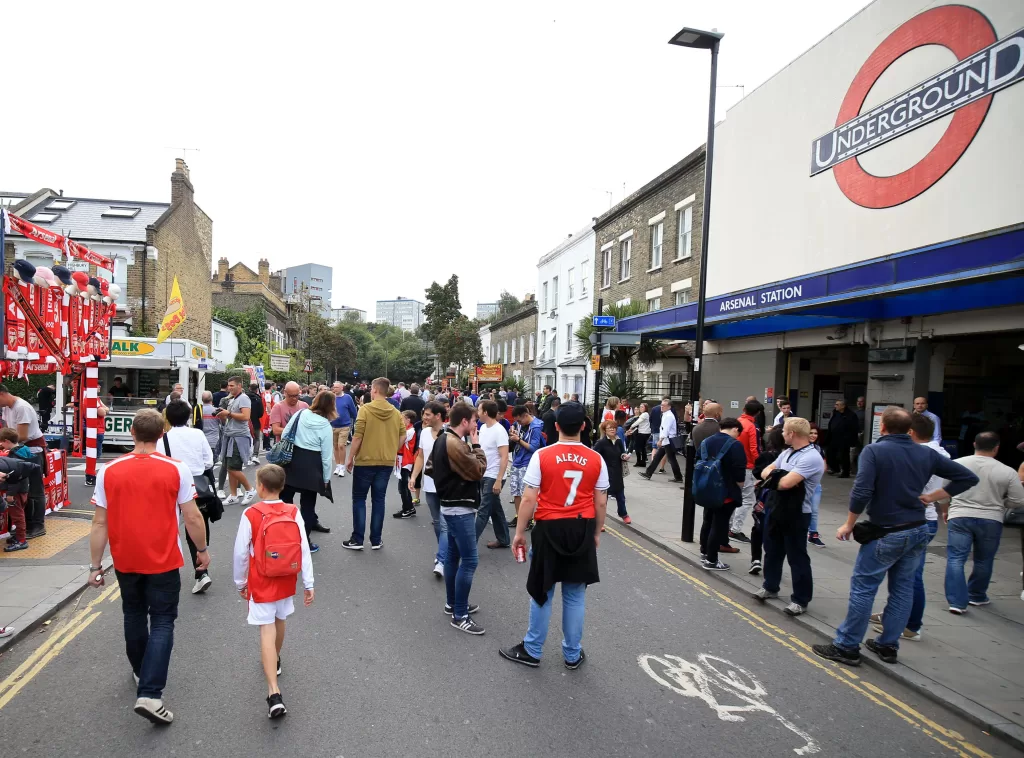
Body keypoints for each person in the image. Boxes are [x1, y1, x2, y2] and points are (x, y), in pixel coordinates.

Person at [813, 407, 978, 667]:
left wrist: (849, 523)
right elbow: (968, 477)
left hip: (885, 530)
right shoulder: (926, 453)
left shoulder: (874, 451)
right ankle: (888, 644)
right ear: (909, 429)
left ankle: (847, 646)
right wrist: (933, 497)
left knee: (864, 589)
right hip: (917, 528)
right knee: (902, 589)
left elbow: (862, 490)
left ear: (884, 428)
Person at [87, 408, 209, 725]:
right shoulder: (177, 469)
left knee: (134, 614)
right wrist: (203, 551)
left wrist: (95, 566)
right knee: (163, 621)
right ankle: (151, 693)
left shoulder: (109, 471)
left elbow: (99, 523)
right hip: (164, 558)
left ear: (131, 433)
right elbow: (193, 516)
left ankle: (142, 672)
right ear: (161, 434)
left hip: (126, 558)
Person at [499, 401, 609, 669]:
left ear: (556, 426)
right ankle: (572, 654)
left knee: (542, 591)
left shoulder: (543, 456)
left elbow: (528, 499)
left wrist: (520, 533)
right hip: (580, 527)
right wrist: (595, 533)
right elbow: (601, 502)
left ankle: (533, 650)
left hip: (550, 528)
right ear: (583, 426)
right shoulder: (596, 458)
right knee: (574, 595)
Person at [232, 464, 314, 719]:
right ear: (282, 486)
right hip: (286, 578)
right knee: (280, 621)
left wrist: (240, 583)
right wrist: (308, 584)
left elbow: (240, 553)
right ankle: (275, 660)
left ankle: (273, 692)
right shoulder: (292, 511)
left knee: (265, 630)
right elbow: (302, 548)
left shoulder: (251, 514)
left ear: (260, 486)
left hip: (262, 579)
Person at [869, 413, 947, 640]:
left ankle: (912, 626)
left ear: (911, 432)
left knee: (911, 576)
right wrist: (940, 503)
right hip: (921, 518)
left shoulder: (926, 454)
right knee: (902, 574)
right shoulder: (939, 453)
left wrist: (928, 499)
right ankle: (893, 614)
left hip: (914, 520)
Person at [943, 431, 1024, 613]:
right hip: (991, 518)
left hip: (960, 515)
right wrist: (1002, 504)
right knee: (984, 559)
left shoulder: (956, 464)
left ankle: (956, 602)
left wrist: (945, 510)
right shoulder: (1007, 471)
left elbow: (943, 491)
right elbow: (1019, 501)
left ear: (974, 444)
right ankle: (977, 595)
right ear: (996, 448)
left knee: (956, 558)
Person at [754, 417, 825, 615]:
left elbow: (786, 483)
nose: (782, 434)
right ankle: (770, 586)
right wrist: (778, 475)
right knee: (772, 550)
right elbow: (765, 471)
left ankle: (800, 600)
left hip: (797, 513)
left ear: (792, 434)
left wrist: (776, 477)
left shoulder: (811, 457)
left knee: (797, 556)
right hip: (776, 508)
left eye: (784, 431)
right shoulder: (787, 453)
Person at [429, 403, 487, 634]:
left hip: (449, 505)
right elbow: (478, 470)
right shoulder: (456, 443)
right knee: (470, 561)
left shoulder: (442, 438)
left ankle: (452, 603)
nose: (476, 426)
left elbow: (432, 468)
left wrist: (449, 480)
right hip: (459, 508)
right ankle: (460, 615)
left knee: (453, 556)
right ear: (464, 421)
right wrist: (477, 445)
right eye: (474, 421)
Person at [162, 400, 216, 594]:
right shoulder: (198, 434)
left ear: (167, 417)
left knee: (169, 527)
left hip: (171, 485)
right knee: (197, 525)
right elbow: (209, 461)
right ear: (189, 417)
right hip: (198, 485)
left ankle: (166, 571)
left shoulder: (164, 439)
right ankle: (202, 572)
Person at [344, 377, 405, 550]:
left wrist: (350, 458)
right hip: (386, 461)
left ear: (375, 390)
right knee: (379, 500)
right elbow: (403, 435)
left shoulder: (365, 410)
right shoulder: (395, 412)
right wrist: (392, 449)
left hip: (365, 461)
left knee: (359, 499)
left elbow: (358, 436)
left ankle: (357, 539)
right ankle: (376, 539)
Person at [280, 390, 335, 554]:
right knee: (308, 506)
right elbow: (326, 457)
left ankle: (283, 537)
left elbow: (284, 434)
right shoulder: (326, 426)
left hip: (292, 461)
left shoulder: (301, 414)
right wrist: (326, 479)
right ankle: (305, 541)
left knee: (285, 502)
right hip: (312, 466)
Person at [697, 417, 748, 571]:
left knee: (707, 520)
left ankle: (704, 552)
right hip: (725, 491)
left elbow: (697, 460)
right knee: (719, 525)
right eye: (738, 433)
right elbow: (739, 472)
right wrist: (740, 486)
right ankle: (712, 560)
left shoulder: (706, 442)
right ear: (735, 429)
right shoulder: (735, 445)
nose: (737, 436)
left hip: (706, 488)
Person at [0, 384, 48, 539]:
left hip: (31, 453)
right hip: (18, 452)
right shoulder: (7, 408)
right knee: (23, 491)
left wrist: (4, 441)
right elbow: (10, 432)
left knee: (34, 491)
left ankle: (37, 525)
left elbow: (21, 435)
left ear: (2, 394)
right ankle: (26, 525)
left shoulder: (22, 408)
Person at [411, 401, 448, 577]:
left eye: (427, 414)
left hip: (448, 486)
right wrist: (413, 476)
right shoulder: (424, 433)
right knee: (437, 523)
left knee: (446, 524)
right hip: (429, 485)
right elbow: (420, 456)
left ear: (438, 416)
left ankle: (441, 559)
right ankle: (446, 550)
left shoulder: (451, 433)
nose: (423, 417)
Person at [750, 427, 786, 576]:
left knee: (758, 527)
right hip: (781, 498)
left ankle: (756, 559)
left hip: (765, 495)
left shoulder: (767, 455)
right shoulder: (790, 456)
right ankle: (770, 563)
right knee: (775, 531)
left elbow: (757, 472)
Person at [475, 400, 511, 548]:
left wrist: (498, 480)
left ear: (485, 413)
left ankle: (468, 543)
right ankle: (504, 539)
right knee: (495, 509)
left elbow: (504, 457)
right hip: (484, 473)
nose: (477, 413)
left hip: (494, 475)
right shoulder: (483, 427)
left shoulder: (499, 431)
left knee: (483, 510)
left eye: (478, 410)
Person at [0, 428, 41, 552]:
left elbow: (14, 477)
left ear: (7, 441)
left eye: (1, 443)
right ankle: (18, 537)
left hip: (16, 491)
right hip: (24, 488)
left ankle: (21, 540)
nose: (1, 446)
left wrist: (10, 494)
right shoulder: (24, 450)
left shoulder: (13, 455)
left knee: (17, 516)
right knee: (19, 514)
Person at [218, 376, 256, 506]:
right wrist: (223, 416)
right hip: (230, 435)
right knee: (229, 467)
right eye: (229, 386)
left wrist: (228, 414)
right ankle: (233, 495)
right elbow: (231, 417)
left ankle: (250, 489)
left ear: (239, 385)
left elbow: (245, 416)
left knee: (234, 467)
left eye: (232, 385)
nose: (229, 388)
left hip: (239, 437)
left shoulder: (244, 398)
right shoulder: (233, 399)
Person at [728, 400, 762, 546]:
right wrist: (760, 465)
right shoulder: (752, 426)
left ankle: (729, 526)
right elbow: (754, 449)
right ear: (758, 413)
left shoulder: (736, 422)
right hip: (747, 466)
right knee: (747, 499)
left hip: (732, 464)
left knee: (732, 497)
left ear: (743, 408)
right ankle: (735, 530)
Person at [508, 404, 545, 529]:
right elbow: (518, 431)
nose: (518, 423)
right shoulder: (520, 424)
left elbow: (534, 448)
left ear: (525, 415)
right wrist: (514, 432)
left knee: (526, 494)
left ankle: (528, 519)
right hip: (517, 460)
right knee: (516, 491)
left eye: (519, 420)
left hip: (528, 462)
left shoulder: (536, 427)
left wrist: (518, 440)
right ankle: (519, 517)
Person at [594, 420, 631, 525]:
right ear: (605, 430)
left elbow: (622, 452)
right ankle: (600, 522)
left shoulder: (618, 441)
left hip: (617, 473)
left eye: (614, 428)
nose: (612, 430)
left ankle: (623, 514)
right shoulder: (601, 443)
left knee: (621, 497)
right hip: (605, 474)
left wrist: (624, 456)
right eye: (609, 428)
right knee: (603, 501)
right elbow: (594, 456)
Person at [639, 398, 683, 482]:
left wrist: (660, 440)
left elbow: (666, 429)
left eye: (664, 405)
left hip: (668, 440)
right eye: (661, 405)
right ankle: (649, 473)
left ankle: (678, 477)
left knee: (671, 459)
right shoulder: (666, 414)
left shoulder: (668, 416)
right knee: (659, 457)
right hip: (667, 440)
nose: (661, 407)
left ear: (669, 407)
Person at [392, 410, 419, 519]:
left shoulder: (410, 431)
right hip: (401, 459)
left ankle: (408, 508)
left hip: (406, 460)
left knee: (403, 486)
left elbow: (399, 440)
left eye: (402, 418)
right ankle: (408, 507)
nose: (400, 420)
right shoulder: (407, 430)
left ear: (408, 419)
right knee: (402, 486)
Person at [331, 381, 358, 477]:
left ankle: (342, 466)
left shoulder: (347, 398)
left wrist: (355, 421)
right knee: (335, 446)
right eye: (334, 387)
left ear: (342, 388)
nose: (335, 389)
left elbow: (353, 411)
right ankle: (337, 465)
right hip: (333, 425)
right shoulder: (331, 397)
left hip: (345, 426)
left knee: (341, 445)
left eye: (337, 387)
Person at [827, 399, 859, 478]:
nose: (835, 406)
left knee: (843, 455)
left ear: (843, 406)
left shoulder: (851, 415)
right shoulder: (836, 413)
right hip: (834, 437)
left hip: (845, 439)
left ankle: (845, 472)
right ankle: (835, 468)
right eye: (835, 404)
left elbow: (854, 428)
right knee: (830, 452)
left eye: (837, 405)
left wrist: (850, 438)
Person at [807, 425, 827, 548]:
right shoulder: (797, 448)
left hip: (815, 484)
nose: (814, 435)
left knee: (813, 510)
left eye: (815, 433)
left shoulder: (818, 449)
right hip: (801, 484)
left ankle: (813, 534)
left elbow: (824, 466)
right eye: (811, 433)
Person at [627, 402, 652, 467]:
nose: (640, 408)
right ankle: (642, 462)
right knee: (642, 448)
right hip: (644, 432)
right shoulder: (644, 414)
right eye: (640, 407)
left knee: (637, 447)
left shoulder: (644, 414)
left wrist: (631, 426)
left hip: (643, 433)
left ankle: (639, 461)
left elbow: (638, 422)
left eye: (642, 407)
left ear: (645, 408)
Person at [199, 391, 222, 461]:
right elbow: (222, 423)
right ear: (212, 399)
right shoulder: (216, 411)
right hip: (213, 441)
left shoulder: (198, 411)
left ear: (202, 399)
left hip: (201, 441)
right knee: (212, 462)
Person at [246, 382, 265, 463]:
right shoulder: (258, 398)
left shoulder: (244, 397)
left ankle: (246, 455)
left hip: (245, 422)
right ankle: (255, 455)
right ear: (257, 390)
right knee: (257, 439)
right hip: (255, 422)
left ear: (249, 388)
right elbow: (261, 412)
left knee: (246, 438)